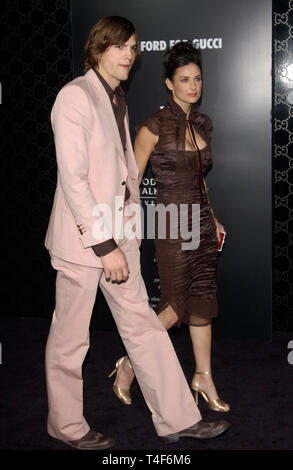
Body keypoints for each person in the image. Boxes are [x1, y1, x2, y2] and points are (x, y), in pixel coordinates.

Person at [44, 17, 229, 450]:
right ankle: (66, 426)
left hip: (118, 239)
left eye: (133, 48)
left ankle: (179, 418)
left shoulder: (117, 99)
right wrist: (105, 244)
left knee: (145, 328)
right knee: (71, 340)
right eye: (121, 47)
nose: (130, 55)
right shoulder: (74, 96)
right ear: (99, 49)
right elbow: (74, 180)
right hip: (84, 242)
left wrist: (127, 231)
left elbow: (123, 174)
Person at [111, 41, 229, 414]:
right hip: (172, 223)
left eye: (197, 79)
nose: (192, 86)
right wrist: (124, 225)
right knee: (174, 307)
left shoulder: (202, 123)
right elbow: (130, 181)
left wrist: (211, 216)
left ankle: (203, 377)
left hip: (200, 225)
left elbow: (200, 179)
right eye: (184, 80)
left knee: (201, 303)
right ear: (168, 83)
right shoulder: (153, 126)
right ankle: (129, 362)